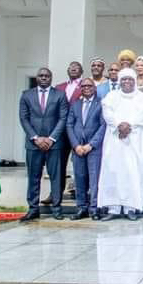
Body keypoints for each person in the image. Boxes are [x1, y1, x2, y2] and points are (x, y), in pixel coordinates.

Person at [98, 68, 143, 221]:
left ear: (135, 81)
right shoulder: (111, 96)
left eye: (130, 79)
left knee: (133, 172)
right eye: (124, 79)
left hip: (135, 139)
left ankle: (131, 208)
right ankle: (113, 208)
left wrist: (128, 126)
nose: (127, 82)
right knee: (113, 171)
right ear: (119, 81)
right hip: (115, 140)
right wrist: (119, 125)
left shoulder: (141, 97)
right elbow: (107, 113)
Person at [18, 67, 68, 221]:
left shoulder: (60, 95)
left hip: (54, 144)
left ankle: (57, 209)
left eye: (47, 76)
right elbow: (24, 118)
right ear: (37, 78)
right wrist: (36, 138)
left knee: (56, 177)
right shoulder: (26, 95)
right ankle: (33, 209)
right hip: (34, 145)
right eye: (41, 75)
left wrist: (51, 138)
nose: (44, 78)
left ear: (51, 78)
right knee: (34, 177)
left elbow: (63, 118)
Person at [65, 77, 106, 221]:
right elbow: (69, 125)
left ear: (94, 88)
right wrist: (76, 145)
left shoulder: (100, 104)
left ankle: (94, 209)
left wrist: (91, 145)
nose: (86, 88)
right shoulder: (75, 105)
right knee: (80, 179)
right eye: (83, 86)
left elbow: (103, 126)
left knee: (94, 180)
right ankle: (81, 208)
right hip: (78, 149)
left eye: (89, 86)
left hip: (93, 149)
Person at [51, 61, 83, 204]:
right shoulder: (59, 87)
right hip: (62, 131)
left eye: (76, 68)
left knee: (79, 164)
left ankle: (81, 194)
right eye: (71, 67)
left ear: (81, 71)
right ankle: (55, 194)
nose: (73, 69)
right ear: (67, 70)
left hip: (78, 130)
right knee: (59, 164)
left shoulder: (86, 86)